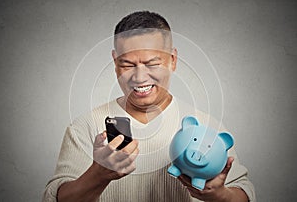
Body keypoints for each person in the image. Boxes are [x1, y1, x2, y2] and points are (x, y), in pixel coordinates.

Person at [43, 11, 256, 202]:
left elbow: (243, 193)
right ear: (115, 62)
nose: (139, 77)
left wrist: (218, 195)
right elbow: (55, 198)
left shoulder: (208, 126)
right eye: (127, 64)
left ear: (173, 60)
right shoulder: (86, 126)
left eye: (152, 64)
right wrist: (98, 174)